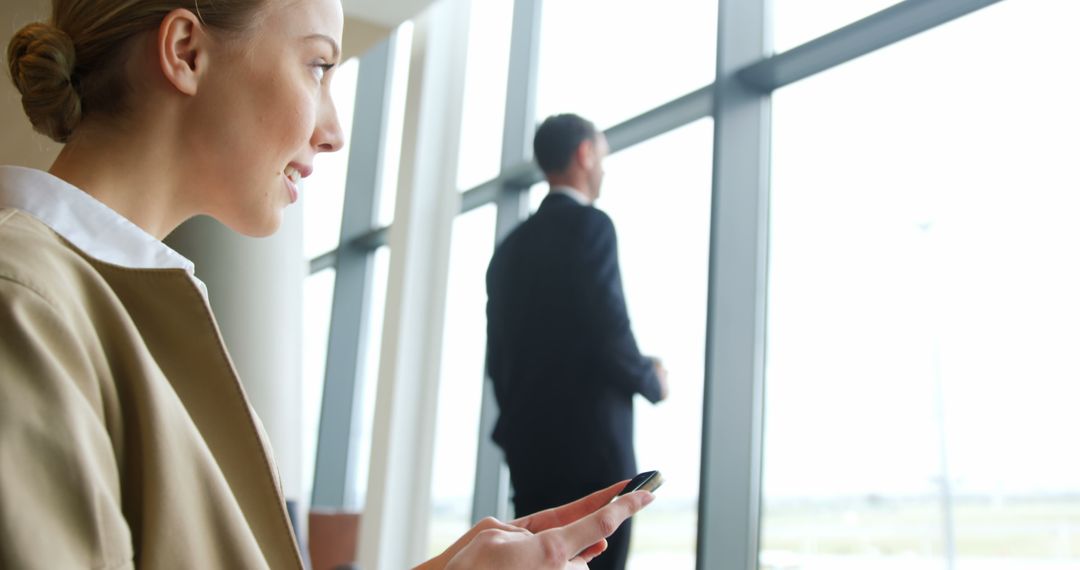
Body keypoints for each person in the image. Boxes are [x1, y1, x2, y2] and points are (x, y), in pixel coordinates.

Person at [0, 1, 652, 568]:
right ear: (186, 52)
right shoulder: (24, 306)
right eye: (318, 66)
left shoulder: (113, 306)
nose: (335, 130)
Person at [485, 113, 670, 570]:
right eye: (602, 156)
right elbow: (608, 332)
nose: (603, 169)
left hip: (530, 453)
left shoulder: (508, 251)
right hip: (591, 453)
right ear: (584, 154)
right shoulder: (591, 226)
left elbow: (501, 361)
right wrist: (652, 379)